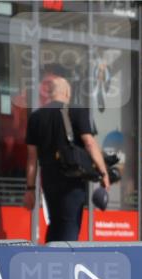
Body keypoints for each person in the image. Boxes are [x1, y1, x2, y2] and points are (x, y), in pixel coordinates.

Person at [24, 76, 109, 242]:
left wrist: (30, 189)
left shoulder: (36, 117)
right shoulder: (76, 110)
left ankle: (49, 261)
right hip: (72, 179)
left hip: (48, 180)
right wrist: (103, 172)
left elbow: (31, 159)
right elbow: (90, 143)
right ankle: (65, 263)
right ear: (67, 92)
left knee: (56, 223)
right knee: (70, 224)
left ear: (51, 93)